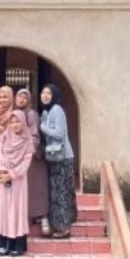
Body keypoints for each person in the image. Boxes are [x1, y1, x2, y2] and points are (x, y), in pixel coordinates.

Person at [0, 109, 35, 257]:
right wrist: (2, 171)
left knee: (16, 210)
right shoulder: (3, 137)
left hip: (18, 182)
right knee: (2, 210)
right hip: (1, 178)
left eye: (18, 122)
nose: (15, 125)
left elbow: (25, 164)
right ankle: (3, 244)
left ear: (22, 123)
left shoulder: (27, 141)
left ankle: (17, 246)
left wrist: (12, 175)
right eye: (12, 122)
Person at [39, 84, 77, 238]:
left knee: (61, 192)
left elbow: (60, 134)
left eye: (49, 93)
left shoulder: (57, 110)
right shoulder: (47, 112)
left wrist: (43, 127)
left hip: (63, 157)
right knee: (58, 191)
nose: (45, 95)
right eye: (43, 92)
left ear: (54, 95)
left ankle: (64, 228)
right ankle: (61, 224)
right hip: (54, 157)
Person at [15, 88, 49, 234]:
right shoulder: (15, 114)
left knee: (37, 189)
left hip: (32, 158)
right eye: (19, 97)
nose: (21, 100)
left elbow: (35, 135)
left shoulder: (31, 114)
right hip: (20, 157)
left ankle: (43, 217)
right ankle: (28, 217)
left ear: (28, 100)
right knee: (25, 189)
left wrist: (29, 150)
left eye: (24, 97)